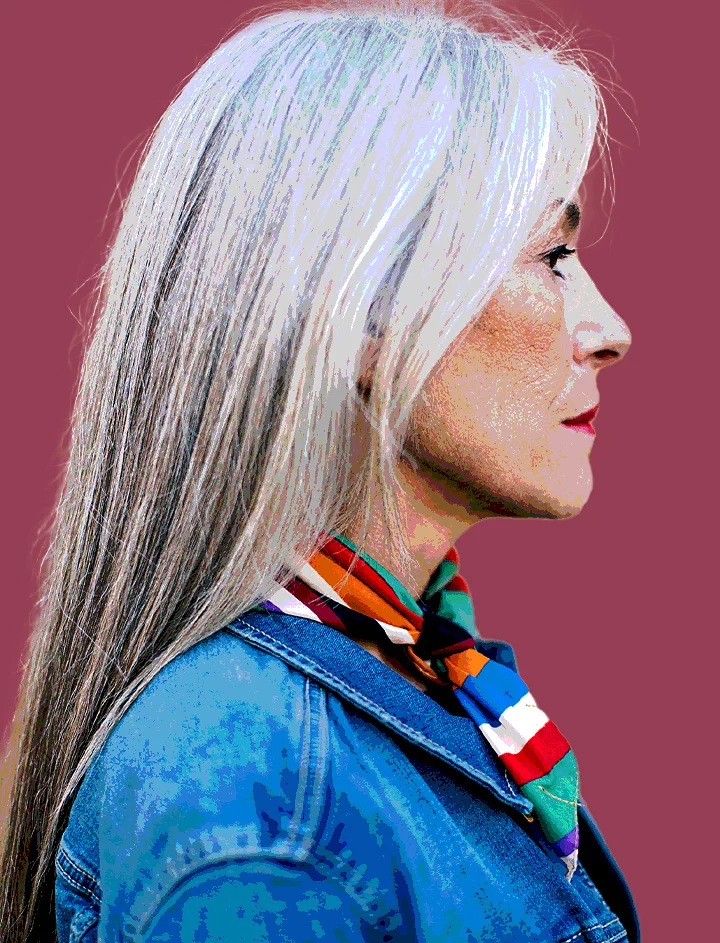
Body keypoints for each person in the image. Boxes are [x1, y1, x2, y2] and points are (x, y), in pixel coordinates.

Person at [0, 2, 639, 940]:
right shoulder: (264, 813)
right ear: (363, 315)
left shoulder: (400, 670)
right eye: (553, 255)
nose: (610, 331)